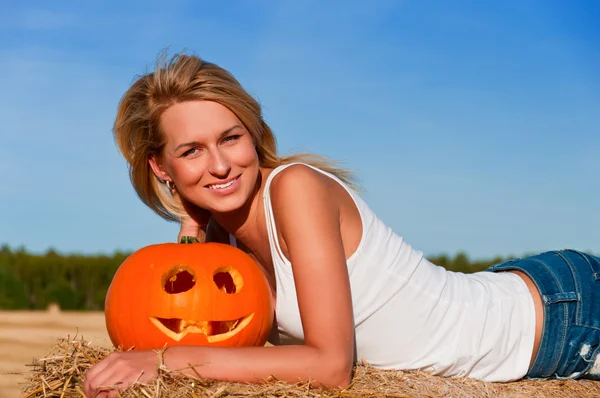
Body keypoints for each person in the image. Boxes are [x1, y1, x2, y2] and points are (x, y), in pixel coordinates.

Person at [84, 52, 600, 397]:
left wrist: (166, 361)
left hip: (559, 318)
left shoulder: (296, 188)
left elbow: (331, 367)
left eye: (231, 138)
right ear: (160, 167)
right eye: (191, 151)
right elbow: (208, 322)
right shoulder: (224, 238)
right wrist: (194, 231)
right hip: (507, 292)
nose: (219, 165)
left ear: (254, 132)